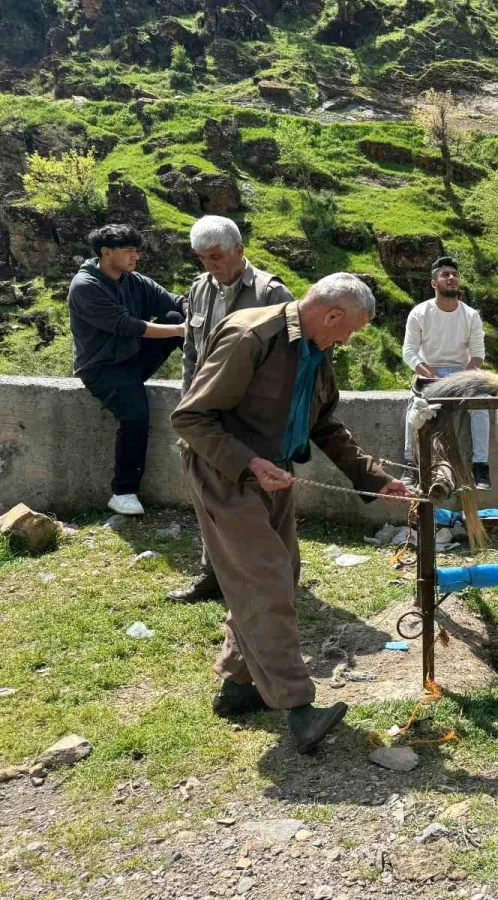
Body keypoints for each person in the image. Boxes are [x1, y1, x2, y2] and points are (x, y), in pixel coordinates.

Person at [172, 273, 411, 754]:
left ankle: (240, 687)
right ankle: (300, 710)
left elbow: (324, 424)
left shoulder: (316, 353)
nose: (348, 340)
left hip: (272, 472)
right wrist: (250, 463)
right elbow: (190, 417)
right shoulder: (250, 337)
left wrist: (372, 477)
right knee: (265, 579)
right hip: (227, 474)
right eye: (350, 330)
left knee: (277, 576)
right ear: (332, 315)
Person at [168, 215, 294, 604]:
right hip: (208, 418)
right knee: (209, 500)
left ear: (240, 250)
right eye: (202, 257)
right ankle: (216, 574)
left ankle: (274, 579)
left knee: (262, 501)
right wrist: (190, 407)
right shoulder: (199, 290)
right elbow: (191, 353)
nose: (210, 265)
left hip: (255, 419)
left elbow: (290, 363)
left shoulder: (272, 294)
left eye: (217, 256)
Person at [68, 224, 185, 516]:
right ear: (106, 253)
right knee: (135, 416)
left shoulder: (133, 280)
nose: (136, 256)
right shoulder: (85, 286)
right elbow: (125, 325)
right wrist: (180, 328)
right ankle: (122, 492)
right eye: (128, 250)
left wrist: (206, 312)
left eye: (137, 250)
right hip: (103, 369)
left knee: (176, 314)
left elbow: (173, 302)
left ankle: (213, 377)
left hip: (132, 359)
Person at [401, 256, 490, 489]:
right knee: (416, 405)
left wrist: (461, 379)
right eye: (445, 275)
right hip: (429, 372)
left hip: (462, 373)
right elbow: (409, 352)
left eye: (454, 275)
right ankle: (410, 465)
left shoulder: (471, 315)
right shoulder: (420, 313)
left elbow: (478, 355)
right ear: (434, 283)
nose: (451, 278)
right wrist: (429, 373)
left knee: (481, 404)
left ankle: (481, 467)